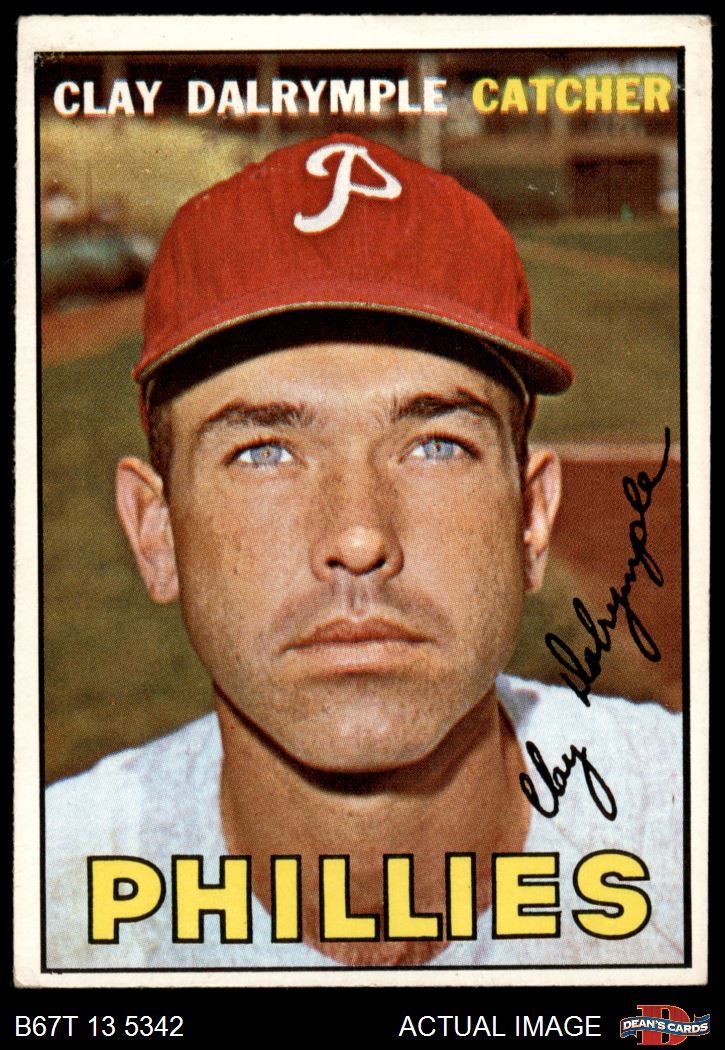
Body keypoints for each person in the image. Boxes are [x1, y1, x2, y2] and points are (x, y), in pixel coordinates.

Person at [45, 133, 683, 970]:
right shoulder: (47, 898)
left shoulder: (684, 834)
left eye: (435, 446)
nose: (357, 537)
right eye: (263, 451)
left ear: (530, 518)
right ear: (155, 533)